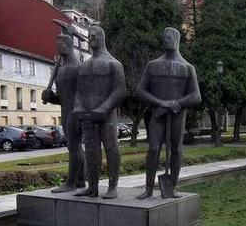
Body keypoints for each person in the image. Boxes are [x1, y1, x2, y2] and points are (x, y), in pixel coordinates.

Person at [136, 27, 201, 199]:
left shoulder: (187, 68)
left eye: (169, 36)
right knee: (153, 148)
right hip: (157, 114)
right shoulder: (153, 65)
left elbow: (196, 96)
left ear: (177, 39)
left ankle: (172, 187)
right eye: (164, 36)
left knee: (177, 150)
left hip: (178, 116)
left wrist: (177, 103)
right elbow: (140, 91)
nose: (166, 39)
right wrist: (162, 104)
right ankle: (149, 188)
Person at [72, 26, 126, 199]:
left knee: (111, 149)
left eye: (95, 35)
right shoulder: (83, 67)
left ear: (103, 37)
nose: (91, 37)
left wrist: (104, 108)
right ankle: (92, 187)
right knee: (91, 151)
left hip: (107, 116)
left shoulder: (114, 64)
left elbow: (120, 91)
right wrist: (78, 108)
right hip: (88, 116)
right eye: (90, 35)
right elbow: (79, 92)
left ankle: (112, 187)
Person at [42, 32, 84, 193]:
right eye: (57, 46)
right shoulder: (60, 69)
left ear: (69, 45)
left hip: (76, 112)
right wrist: (50, 97)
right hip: (65, 110)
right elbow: (62, 97)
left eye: (61, 46)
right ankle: (80, 180)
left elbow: (84, 93)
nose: (58, 49)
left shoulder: (79, 68)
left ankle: (71, 182)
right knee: (74, 147)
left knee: (74, 146)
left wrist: (81, 113)